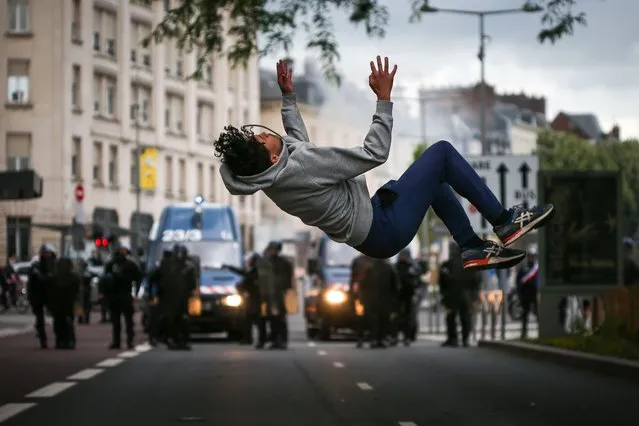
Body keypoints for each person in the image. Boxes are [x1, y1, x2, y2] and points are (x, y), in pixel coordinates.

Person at [214, 56, 554, 271]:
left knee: (435, 181)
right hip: (381, 228)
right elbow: (374, 153)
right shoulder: (302, 165)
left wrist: (288, 98)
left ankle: (470, 247)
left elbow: (296, 142)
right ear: (272, 158)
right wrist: (384, 100)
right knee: (442, 153)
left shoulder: (274, 179)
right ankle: (504, 222)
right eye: (262, 139)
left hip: (373, 226)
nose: (266, 134)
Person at [439, 242, 481, 347]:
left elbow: (442, 282)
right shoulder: (469, 264)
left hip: (454, 295)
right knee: (463, 318)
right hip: (462, 295)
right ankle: (463, 339)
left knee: (454, 317)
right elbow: (476, 282)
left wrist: (444, 294)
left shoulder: (448, 265)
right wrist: (474, 296)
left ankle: (455, 339)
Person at [157, 245, 197, 350]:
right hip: (171, 298)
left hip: (180, 298)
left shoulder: (188, 267)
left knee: (182, 320)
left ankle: (180, 340)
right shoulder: (167, 265)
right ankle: (174, 340)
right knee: (172, 320)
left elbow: (193, 284)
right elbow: (157, 278)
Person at [104, 242, 142, 350]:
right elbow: (105, 279)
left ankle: (130, 341)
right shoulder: (111, 264)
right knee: (116, 321)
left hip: (126, 294)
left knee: (129, 321)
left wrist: (136, 291)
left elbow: (138, 278)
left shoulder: (131, 264)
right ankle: (117, 341)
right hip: (114, 295)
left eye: (124, 250)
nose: (122, 252)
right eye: (121, 250)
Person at [28, 245, 57, 349]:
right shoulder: (36, 265)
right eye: (46, 254)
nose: (47, 256)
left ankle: (59, 336)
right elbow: (34, 279)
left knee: (57, 316)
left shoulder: (55, 265)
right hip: (39, 294)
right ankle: (43, 338)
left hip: (50, 294)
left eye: (49, 254)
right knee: (40, 317)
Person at [50, 257, 81, 349]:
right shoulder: (73, 277)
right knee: (68, 323)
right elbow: (77, 290)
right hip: (68, 303)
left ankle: (60, 341)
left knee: (59, 323)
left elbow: (50, 292)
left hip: (59, 304)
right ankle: (69, 341)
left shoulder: (54, 277)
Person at [516, 246, 539, 340]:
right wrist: (520, 294)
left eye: (533, 256)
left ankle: (541, 332)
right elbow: (518, 281)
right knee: (525, 315)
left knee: (538, 314)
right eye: (530, 256)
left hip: (535, 294)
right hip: (525, 295)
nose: (532, 258)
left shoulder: (537, 268)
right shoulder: (523, 268)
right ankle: (524, 333)